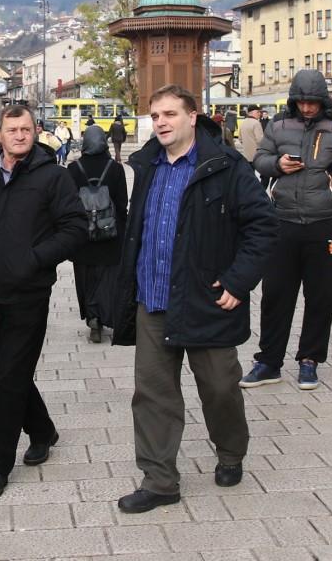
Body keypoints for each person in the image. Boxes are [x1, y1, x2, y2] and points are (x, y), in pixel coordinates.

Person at [102, 87, 273, 513]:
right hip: (153, 300)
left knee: (219, 388)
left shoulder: (227, 166)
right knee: (153, 394)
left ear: (193, 116)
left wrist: (238, 281)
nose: (161, 122)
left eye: (170, 114)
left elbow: (264, 228)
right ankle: (160, 481)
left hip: (207, 301)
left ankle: (231, 452)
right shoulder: (146, 166)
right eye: (155, 114)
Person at [0, 104, 86, 499]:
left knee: (9, 378)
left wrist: (34, 260)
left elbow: (76, 228)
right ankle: (43, 430)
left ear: (36, 132)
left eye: (26, 129)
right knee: (8, 372)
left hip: (30, 292)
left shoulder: (54, 177)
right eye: (12, 129)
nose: (19, 135)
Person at [243, 69, 332, 391]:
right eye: (302, 102)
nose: (308, 109)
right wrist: (277, 165)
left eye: (313, 103)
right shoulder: (279, 124)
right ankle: (268, 362)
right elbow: (260, 159)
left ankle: (309, 360)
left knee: (321, 298)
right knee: (275, 296)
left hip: (326, 225)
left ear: (323, 100)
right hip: (282, 222)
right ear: (293, 100)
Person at [68, 124, 127, 343]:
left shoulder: (73, 169)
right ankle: (103, 314)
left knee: (85, 278)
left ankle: (92, 316)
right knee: (106, 278)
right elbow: (121, 204)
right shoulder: (115, 168)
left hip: (82, 235)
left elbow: (69, 203)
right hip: (109, 233)